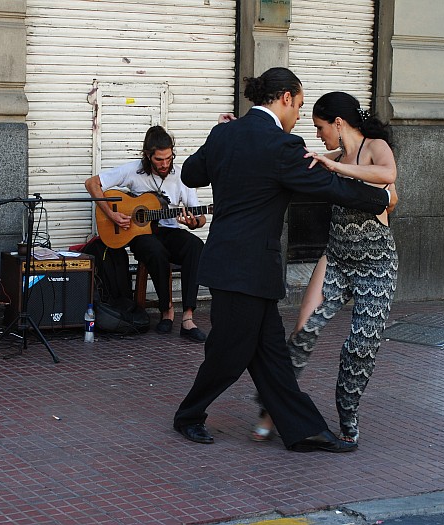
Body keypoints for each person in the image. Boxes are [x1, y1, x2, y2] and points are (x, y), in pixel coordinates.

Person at [172, 67, 393, 453]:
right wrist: (382, 200)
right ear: (286, 98)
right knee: (228, 354)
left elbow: (191, 174)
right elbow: (330, 186)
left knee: (271, 356)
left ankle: (304, 429)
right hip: (246, 268)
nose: (298, 117)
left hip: (233, 264)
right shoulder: (281, 147)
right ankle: (188, 415)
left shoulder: (226, 132)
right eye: (300, 106)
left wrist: (218, 136)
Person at [251, 92, 399, 445]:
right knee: (302, 331)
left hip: (376, 266)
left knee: (359, 346)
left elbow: (388, 174)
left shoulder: (374, 147)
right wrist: (242, 131)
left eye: (320, 127)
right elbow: (290, 159)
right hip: (336, 257)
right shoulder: (332, 155)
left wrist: (337, 167)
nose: (318, 135)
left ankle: (348, 420)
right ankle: (272, 410)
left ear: (338, 123)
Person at [85, 126, 208, 343]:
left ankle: (188, 316)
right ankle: (166, 310)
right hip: (140, 236)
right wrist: (111, 215)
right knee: (155, 250)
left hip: (169, 230)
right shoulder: (133, 171)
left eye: (169, 158)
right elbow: (92, 183)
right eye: (159, 159)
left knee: (195, 245)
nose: (165, 164)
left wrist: (193, 221)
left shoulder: (181, 175)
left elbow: (199, 216)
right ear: (148, 155)